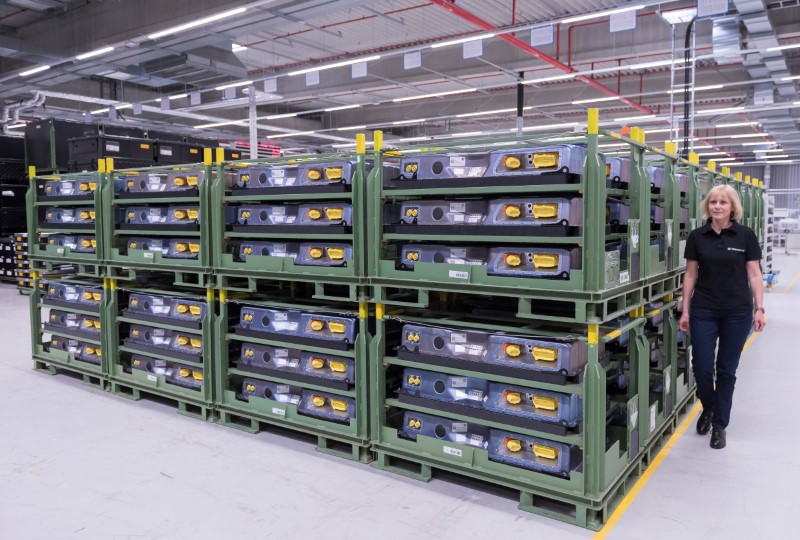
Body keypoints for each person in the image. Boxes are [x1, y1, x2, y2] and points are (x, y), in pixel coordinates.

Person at [679, 183, 765, 450]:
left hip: (737, 312)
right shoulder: (697, 236)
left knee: (726, 370)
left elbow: (755, 274)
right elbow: (691, 274)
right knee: (702, 367)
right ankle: (709, 407)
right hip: (704, 308)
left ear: (732, 207)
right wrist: (685, 308)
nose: (717, 206)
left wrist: (760, 308)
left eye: (723, 202)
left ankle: (719, 425)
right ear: (708, 205)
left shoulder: (745, 235)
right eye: (713, 202)